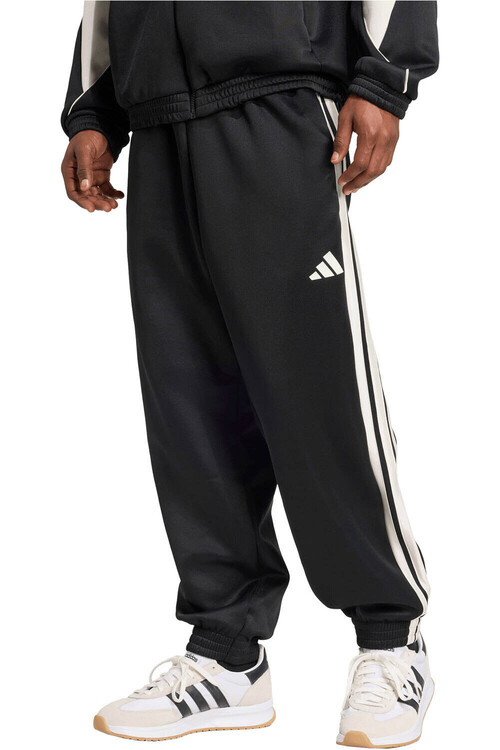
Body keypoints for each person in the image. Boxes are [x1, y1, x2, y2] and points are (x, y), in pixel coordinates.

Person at [61, 2, 438, 746]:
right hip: (160, 121)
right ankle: (228, 653)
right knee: (189, 404)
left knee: (317, 391)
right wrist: (92, 109)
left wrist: (385, 76)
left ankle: (392, 639)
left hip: (279, 103)